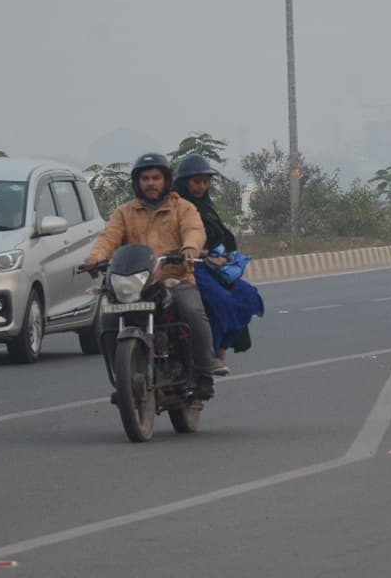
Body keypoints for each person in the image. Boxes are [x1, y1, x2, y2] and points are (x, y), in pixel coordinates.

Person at [82, 153, 216, 400]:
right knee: (108, 321)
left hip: (174, 279)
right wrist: (94, 258)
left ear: (166, 180)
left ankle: (203, 375)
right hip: (136, 285)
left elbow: (194, 231)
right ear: (137, 182)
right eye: (145, 178)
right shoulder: (124, 212)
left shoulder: (183, 208)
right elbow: (108, 238)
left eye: (156, 177)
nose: (151, 183)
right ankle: (120, 379)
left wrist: (189, 249)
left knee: (192, 312)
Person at [173, 154, 265, 376]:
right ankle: (210, 355)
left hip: (214, 267)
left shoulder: (207, 208)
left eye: (205, 182)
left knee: (247, 296)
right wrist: (198, 251)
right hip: (188, 267)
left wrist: (222, 256)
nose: (201, 187)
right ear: (184, 182)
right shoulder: (177, 207)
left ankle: (222, 346)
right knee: (221, 301)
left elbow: (223, 238)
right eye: (196, 181)